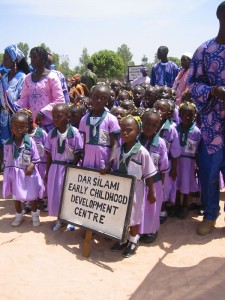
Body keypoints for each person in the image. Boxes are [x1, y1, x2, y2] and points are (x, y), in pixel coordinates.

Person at [188, 1, 225, 235]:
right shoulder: (204, 50)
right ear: (221, 16)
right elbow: (192, 84)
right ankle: (210, 215)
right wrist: (212, 91)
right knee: (210, 173)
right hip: (212, 125)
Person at [110, 115, 157, 257]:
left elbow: (149, 174)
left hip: (136, 190)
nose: (124, 133)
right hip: (121, 189)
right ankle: (123, 238)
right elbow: (116, 168)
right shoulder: (118, 151)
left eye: (129, 130)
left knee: (133, 216)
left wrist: (152, 192)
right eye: (122, 130)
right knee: (121, 214)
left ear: (138, 132)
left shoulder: (142, 152)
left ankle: (133, 240)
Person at [45, 103, 83, 230]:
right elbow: (49, 155)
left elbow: (78, 152)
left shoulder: (75, 133)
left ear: (67, 117)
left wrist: (72, 167)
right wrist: (47, 172)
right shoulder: (51, 134)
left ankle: (71, 220)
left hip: (70, 169)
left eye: (59, 116)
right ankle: (60, 219)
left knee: (69, 194)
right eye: (53, 116)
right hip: (55, 169)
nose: (55, 119)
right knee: (57, 195)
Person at [2, 112, 43, 227]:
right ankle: (18, 215)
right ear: (11, 128)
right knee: (16, 197)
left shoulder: (30, 142)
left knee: (32, 196)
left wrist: (30, 166)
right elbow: (6, 160)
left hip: (28, 174)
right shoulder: (8, 144)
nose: (18, 129)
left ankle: (35, 215)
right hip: (14, 174)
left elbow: (36, 158)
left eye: (22, 126)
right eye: (15, 126)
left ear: (26, 127)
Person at [17, 47, 65, 132]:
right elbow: (24, 99)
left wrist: (43, 112)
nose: (32, 60)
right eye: (31, 57)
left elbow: (59, 100)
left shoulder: (52, 77)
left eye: (34, 57)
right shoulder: (28, 78)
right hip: (32, 124)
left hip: (49, 124)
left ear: (43, 59)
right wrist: (17, 107)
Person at [139, 109, 169, 243]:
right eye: (146, 123)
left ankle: (151, 230)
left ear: (158, 126)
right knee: (140, 207)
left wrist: (161, 186)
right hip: (139, 181)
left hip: (154, 182)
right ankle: (139, 230)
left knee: (152, 208)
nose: (149, 127)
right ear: (141, 123)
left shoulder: (161, 143)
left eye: (153, 125)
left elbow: (163, 167)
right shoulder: (135, 140)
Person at [0, 44, 30, 169]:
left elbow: (21, 99)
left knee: (16, 142)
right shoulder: (4, 77)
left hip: (15, 116)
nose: (3, 61)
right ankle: (6, 165)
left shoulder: (22, 78)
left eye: (6, 58)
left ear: (14, 60)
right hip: (3, 117)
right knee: (4, 143)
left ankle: (16, 167)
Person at [79, 85, 120, 172]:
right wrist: (82, 162)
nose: (99, 100)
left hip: (104, 161)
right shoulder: (84, 119)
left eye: (103, 98)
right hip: (87, 161)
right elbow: (84, 143)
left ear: (108, 101)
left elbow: (115, 144)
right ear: (91, 98)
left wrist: (109, 165)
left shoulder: (111, 119)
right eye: (96, 97)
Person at [153, 99, 181, 221]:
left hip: (166, 164)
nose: (159, 112)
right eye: (157, 108)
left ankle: (162, 209)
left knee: (164, 186)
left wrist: (174, 168)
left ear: (169, 114)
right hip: (151, 164)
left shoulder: (171, 129)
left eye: (162, 110)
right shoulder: (149, 124)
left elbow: (175, 152)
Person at [175, 102, 201, 218]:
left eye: (190, 115)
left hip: (188, 163)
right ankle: (176, 205)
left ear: (194, 116)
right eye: (184, 114)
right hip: (176, 162)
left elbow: (198, 150)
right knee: (176, 184)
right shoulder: (175, 129)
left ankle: (185, 206)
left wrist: (197, 165)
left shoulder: (196, 132)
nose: (187, 117)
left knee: (186, 184)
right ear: (179, 114)